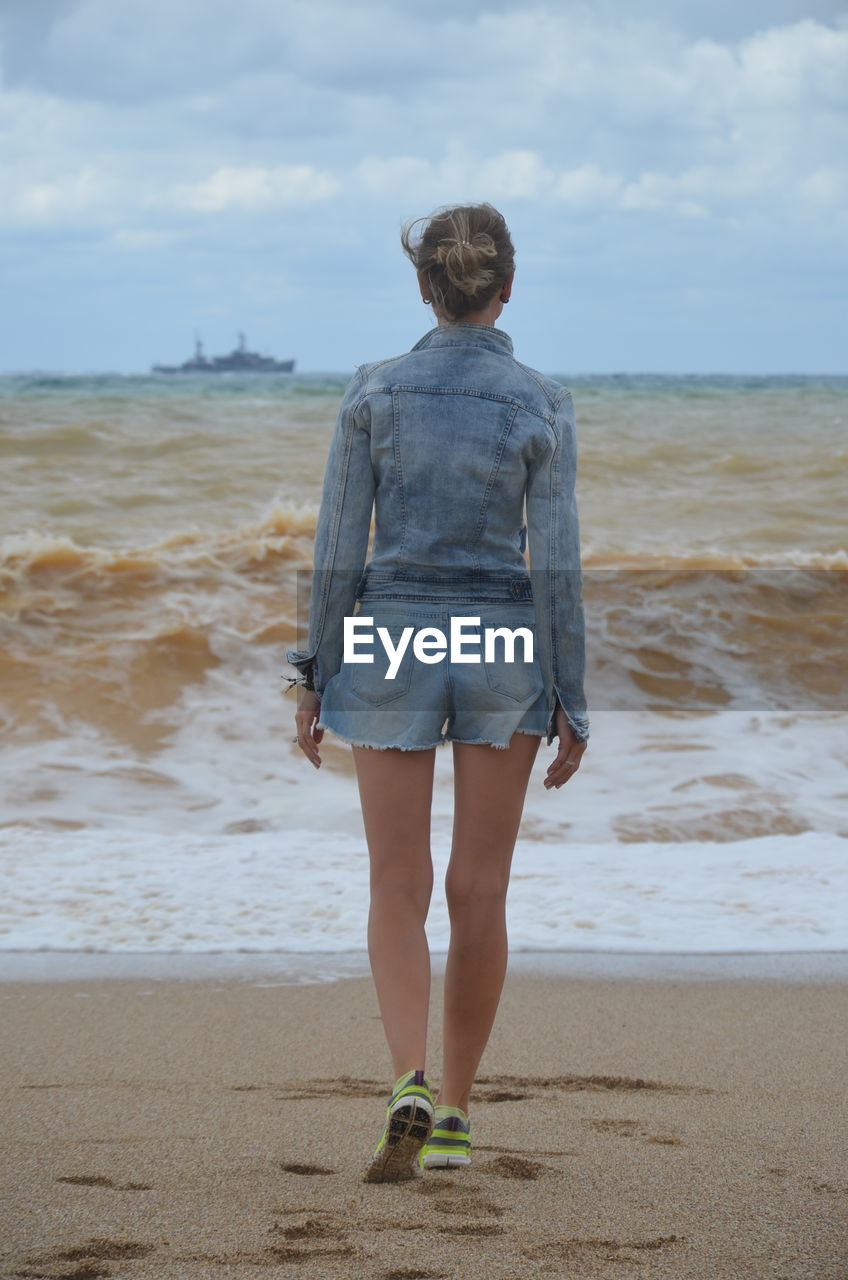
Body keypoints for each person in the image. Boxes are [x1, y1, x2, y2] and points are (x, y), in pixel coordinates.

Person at [286, 202, 589, 1183]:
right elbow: (558, 568)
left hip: (390, 635)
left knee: (396, 882)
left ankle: (406, 1076)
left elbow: (338, 549)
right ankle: (455, 1114)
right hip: (500, 633)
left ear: (423, 285)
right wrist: (571, 696)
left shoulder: (372, 391)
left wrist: (311, 669)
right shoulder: (539, 400)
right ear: (507, 287)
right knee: (477, 888)